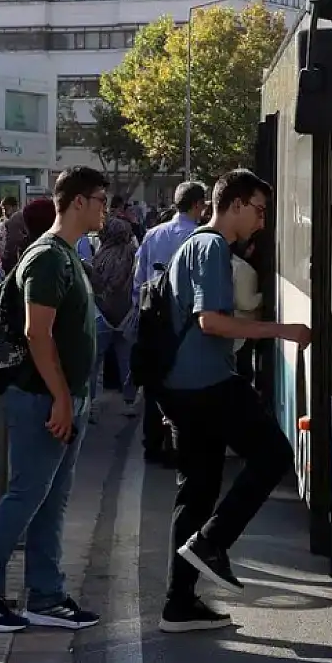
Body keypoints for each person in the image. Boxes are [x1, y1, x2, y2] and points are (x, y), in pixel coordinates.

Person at [156, 169, 309, 634]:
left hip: (182, 388)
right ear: (236, 204)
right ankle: (212, 544)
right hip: (206, 383)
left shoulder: (199, 246)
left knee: (198, 492)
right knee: (275, 454)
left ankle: (178, 605)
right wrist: (283, 331)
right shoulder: (211, 247)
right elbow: (212, 323)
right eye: (259, 210)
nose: (262, 222)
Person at [0, 167, 107, 634]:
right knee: (26, 496)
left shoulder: (68, 255)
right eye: (99, 199)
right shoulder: (48, 258)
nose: (104, 209)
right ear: (76, 203)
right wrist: (60, 398)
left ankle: (45, 596)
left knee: (50, 501)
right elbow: (37, 332)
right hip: (41, 399)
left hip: (61, 397)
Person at [129, 182, 211, 466]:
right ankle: (178, 446)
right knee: (185, 386)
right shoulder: (201, 238)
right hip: (188, 323)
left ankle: (152, 444)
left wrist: (139, 314)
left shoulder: (152, 235)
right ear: (198, 205)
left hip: (153, 319)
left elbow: (138, 279)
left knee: (154, 385)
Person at [89, 217, 140, 416]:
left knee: (96, 363)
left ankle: (92, 404)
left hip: (102, 314)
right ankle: (130, 402)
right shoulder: (133, 253)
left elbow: (99, 284)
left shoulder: (103, 255)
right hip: (127, 314)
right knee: (126, 360)